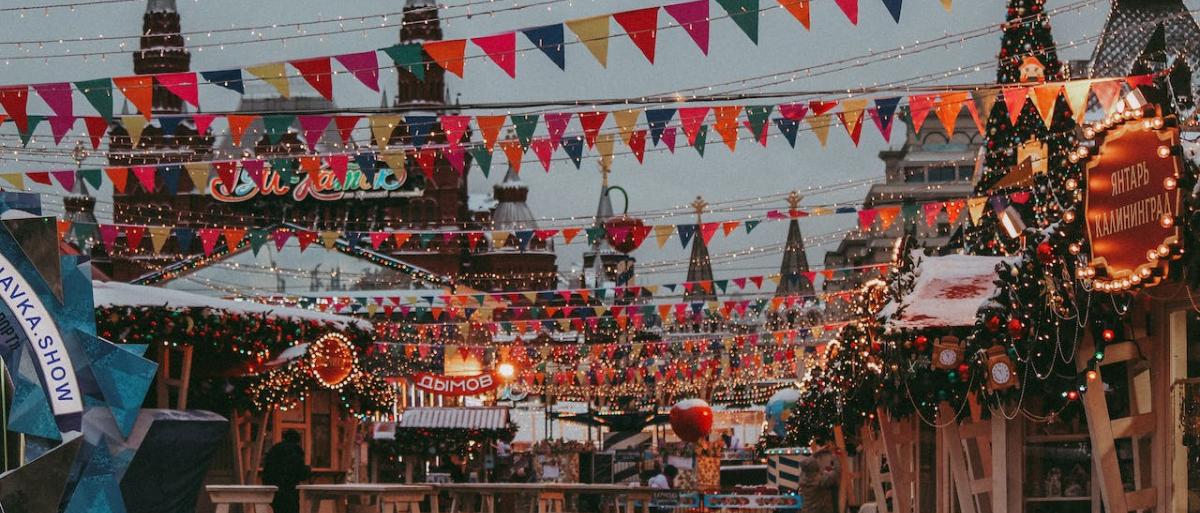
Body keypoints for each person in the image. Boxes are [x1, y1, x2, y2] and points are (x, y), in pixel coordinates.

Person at [262, 430, 311, 513]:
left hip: (275, 490)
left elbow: (267, 470)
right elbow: (301, 473)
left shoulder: (274, 449)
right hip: (290, 490)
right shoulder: (296, 451)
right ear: (297, 440)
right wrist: (308, 469)